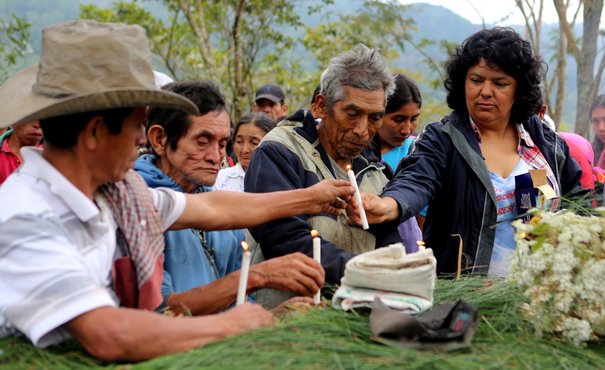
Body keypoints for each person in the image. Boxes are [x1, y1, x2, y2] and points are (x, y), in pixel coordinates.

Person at [0, 20, 355, 362]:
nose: (142, 139)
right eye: (137, 125)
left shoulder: (116, 195)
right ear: (94, 132)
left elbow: (213, 208)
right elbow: (107, 334)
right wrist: (232, 324)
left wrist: (312, 197)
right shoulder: (26, 217)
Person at [352, 27, 584, 278]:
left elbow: (579, 197)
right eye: (476, 80)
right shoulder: (443, 138)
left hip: (538, 292)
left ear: (518, 90)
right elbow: (417, 179)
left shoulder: (541, 139)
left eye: (500, 83)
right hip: (467, 297)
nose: (485, 91)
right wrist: (389, 205)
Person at [136, 81, 323, 315]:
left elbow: (240, 304)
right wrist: (258, 276)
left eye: (223, 143)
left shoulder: (224, 214)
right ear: (159, 140)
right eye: (202, 142)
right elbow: (160, 310)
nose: (216, 156)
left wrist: (273, 316)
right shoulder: (136, 202)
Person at [245, 44, 401, 288]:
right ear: (320, 105)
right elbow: (283, 238)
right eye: (352, 113)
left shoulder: (377, 175)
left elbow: (390, 249)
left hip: (361, 318)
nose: (362, 130)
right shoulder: (281, 151)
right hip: (288, 317)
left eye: (375, 118)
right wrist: (367, 275)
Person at [374, 74, 424, 252]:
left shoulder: (418, 152)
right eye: (398, 119)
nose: (407, 129)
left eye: (414, 119)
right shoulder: (358, 153)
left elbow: (420, 223)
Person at [215, 112, 275, 192]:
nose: (244, 150)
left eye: (254, 143)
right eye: (239, 141)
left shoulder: (281, 180)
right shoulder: (221, 179)